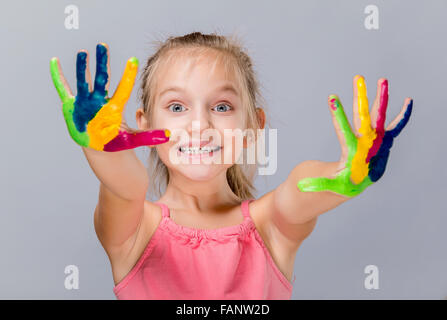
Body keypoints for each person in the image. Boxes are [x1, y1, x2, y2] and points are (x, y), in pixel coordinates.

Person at [49, 32, 413, 299]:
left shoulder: (271, 226)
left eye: (221, 107)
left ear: (253, 126)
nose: (199, 125)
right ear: (143, 123)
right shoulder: (133, 229)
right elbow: (126, 186)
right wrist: (99, 147)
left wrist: (342, 175)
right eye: (177, 107)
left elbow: (300, 189)